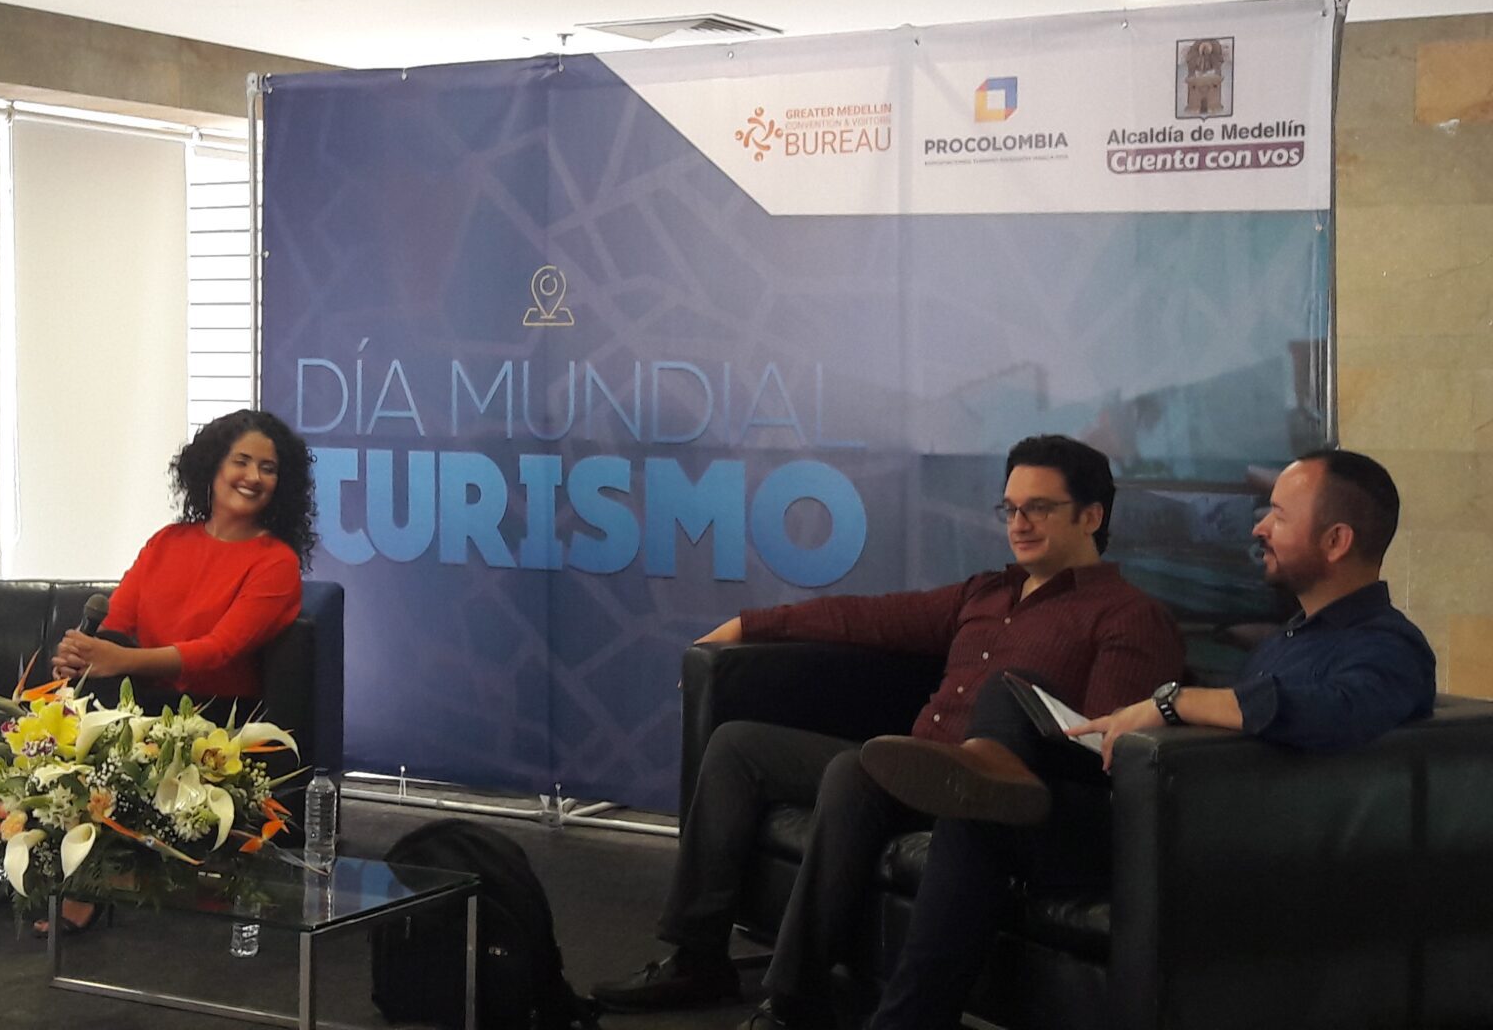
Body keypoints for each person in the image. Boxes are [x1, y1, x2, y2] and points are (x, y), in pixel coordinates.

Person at [592, 435, 1182, 1029]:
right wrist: (748, 624)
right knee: (738, 746)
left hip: (999, 802)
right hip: (915, 769)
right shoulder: (985, 591)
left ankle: (794, 999)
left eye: (1039, 508)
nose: (1019, 524)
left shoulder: (1129, 615)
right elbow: (866, 617)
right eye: (1010, 508)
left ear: (1091, 516)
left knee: (856, 769)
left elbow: (1105, 748)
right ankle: (698, 959)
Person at [855, 448, 1435, 1030]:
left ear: (1336, 541)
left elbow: (1338, 711)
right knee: (982, 800)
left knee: (998, 759)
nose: (1259, 527)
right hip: (1171, 825)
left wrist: (1174, 702)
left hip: (1216, 849)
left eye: (1279, 516)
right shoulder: (1289, 640)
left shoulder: (1388, 646)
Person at [45, 407, 316, 932]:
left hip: (213, 716)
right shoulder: (168, 542)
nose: (253, 477)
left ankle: (92, 879)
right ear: (212, 467)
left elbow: (218, 649)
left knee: (109, 704)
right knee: (86, 690)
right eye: (241, 462)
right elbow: (117, 623)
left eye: (268, 468)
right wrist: (88, 655)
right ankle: (80, 866)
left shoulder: (275, 562)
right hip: (142, 701)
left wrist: (118, 660)